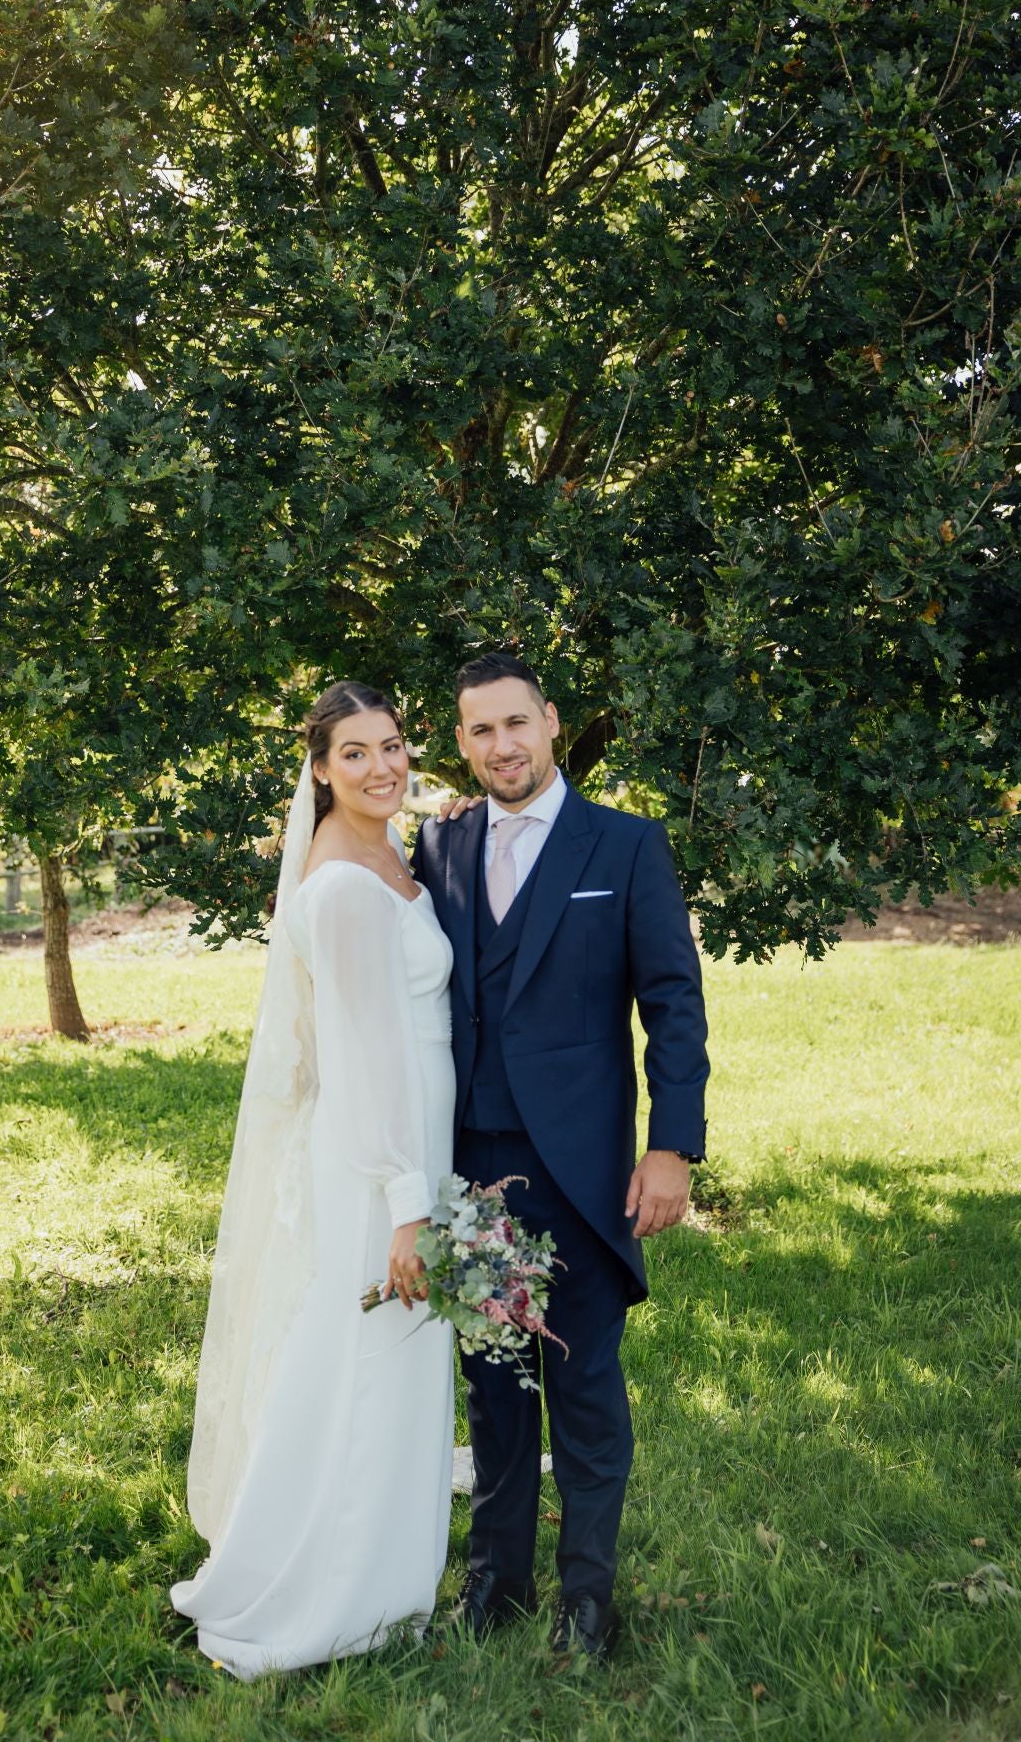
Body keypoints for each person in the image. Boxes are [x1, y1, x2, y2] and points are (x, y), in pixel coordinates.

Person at [412, 651, 709, 1661]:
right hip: (464, 1171)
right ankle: (493, 1582)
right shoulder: (436, 846)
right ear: (460, 744)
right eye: (479, 730)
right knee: (492, 1390)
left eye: (516, 724)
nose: (501, 745)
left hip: (581, 1174)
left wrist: (671, 1148)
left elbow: (671, 1005)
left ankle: (587, 1599)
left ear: (549, 722)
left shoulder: (623, 847)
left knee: (582, 1387)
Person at [170, 681, 456, 1678]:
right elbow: (367, 1054)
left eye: (392, 746)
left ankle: (373, 1564)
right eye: (354, 754)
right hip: (380, 1161)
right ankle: (332, 1586)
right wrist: (406, 1205)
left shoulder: (388, 850)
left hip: (408, 1146)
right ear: (319, 771)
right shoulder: (338, 886)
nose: (381, 767)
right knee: (367, 1354)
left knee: (387, 1351)